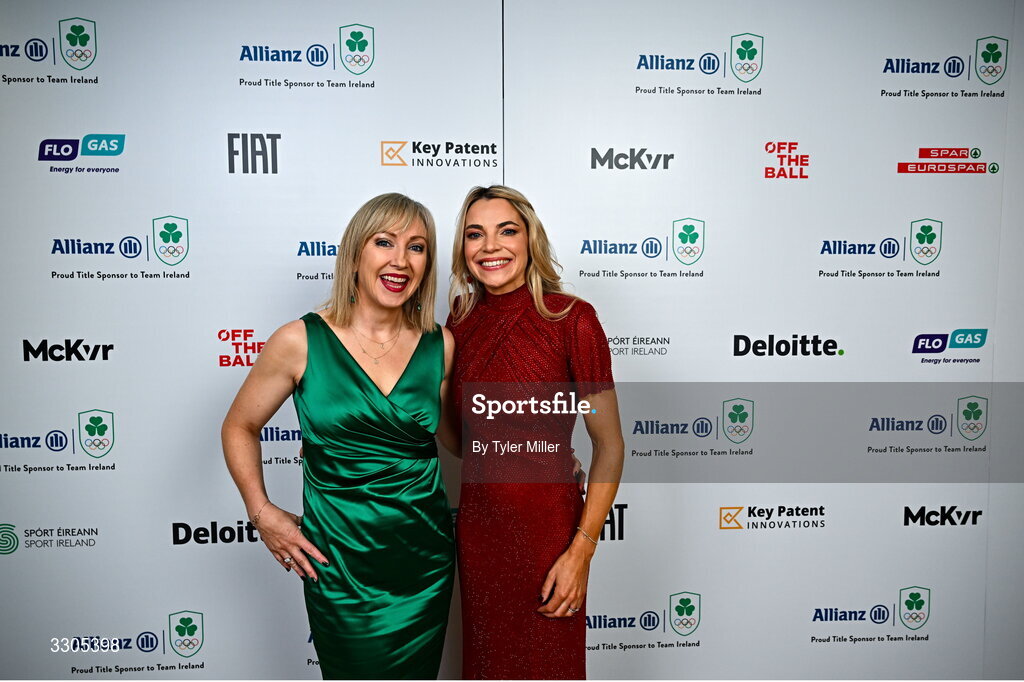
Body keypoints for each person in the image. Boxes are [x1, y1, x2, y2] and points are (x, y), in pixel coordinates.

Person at [222, 193, 456, 680]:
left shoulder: (441, 343)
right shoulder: (299, 340)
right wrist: (262, 512)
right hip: (341, 561)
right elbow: (239, 426)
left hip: (423, 561)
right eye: (384, 242)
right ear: (355, 254)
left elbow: (459, 439)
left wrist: (542, 452)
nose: (400, 260)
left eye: (416, 247)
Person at [446, 185, 625, 679]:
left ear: (530, 239)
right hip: (481, 536)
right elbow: (462, 442)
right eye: (474, 234)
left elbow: (610, 447)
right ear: (462, 248)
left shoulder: (573, 320)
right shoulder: (458, 323)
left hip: (551, 535)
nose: (490, 246)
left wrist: (581, 552)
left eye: (507, 230)